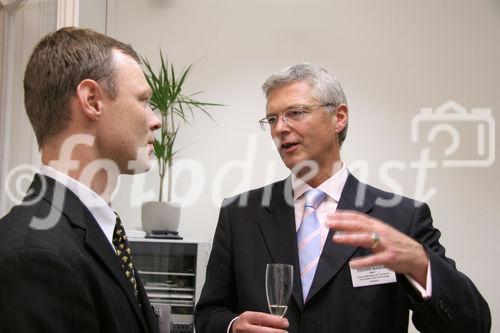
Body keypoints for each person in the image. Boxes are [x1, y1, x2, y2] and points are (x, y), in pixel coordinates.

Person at [194, 63, 491, 333]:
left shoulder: (400, 218)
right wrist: (232, 327)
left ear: (339, 117)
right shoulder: (240, 214)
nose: (280, 128)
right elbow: (209, 313)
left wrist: (420, 263)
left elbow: (471, 324)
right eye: (272, 118)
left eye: (295, 113)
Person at [0, 27, 161, 332]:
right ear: (92, 100)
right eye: (143, 100)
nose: (155, 120)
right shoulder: (33, 257)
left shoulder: (96, 232)